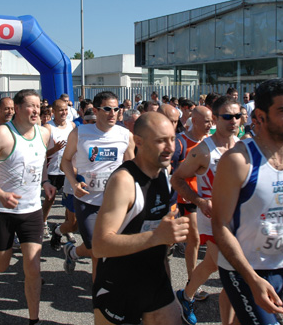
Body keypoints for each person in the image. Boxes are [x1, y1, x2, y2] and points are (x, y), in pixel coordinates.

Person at [211, 78, 283, 325]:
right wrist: (252, 278)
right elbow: (220, 226)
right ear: (260, 115)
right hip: (240, 268)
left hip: (279, 265)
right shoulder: (237, 161)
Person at [91, 112, 189, 325]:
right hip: (119, 286)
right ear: (139, 142)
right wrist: (156, 236)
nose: (171, 148)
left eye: (172, 139)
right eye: (161, 141)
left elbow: (161, 240)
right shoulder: (124, 182)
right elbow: (99, 245)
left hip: (155, 283)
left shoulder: (163, 172)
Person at [0, 89, 56, 325]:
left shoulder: (43, 133)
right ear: (18, 109)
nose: (35, 110)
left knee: (33, 268)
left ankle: (34, 319)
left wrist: (45, 181)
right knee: (1, 265)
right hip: (2, 212)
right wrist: (0, 194)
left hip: (32, 211)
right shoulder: (2, 134)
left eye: (38, 106)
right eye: (30, 106)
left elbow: (40, 161)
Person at [171, 96, 241, 325]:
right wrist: (200, 201)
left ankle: (186, 295)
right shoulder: (203, 150)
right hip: (214, 218)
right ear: (217, 119)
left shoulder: (245, 145)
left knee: (211, 264)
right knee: (232, 272)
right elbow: (177, 179)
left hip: (241, 217)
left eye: (238, 116)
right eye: (228, 117)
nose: (234, 121)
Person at [60, 91, 135, 279]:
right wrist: (73, 182)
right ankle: (100, 299)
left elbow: (131, 168)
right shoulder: (80, 133)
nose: (113, 113)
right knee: (97, 249)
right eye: (107, 109)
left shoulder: (125, 135)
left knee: (108, 250)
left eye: (116, 109)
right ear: (96, 110)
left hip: (115, 203)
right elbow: (66, 161)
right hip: (87, 200)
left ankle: (73, 253)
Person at [176, 106, 213, 300]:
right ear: (195, 121)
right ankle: (192, 284)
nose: (210, 125)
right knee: (195, 240)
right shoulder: (181, 142)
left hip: (208, 200)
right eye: (206, 121)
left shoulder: (210, 142)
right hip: (187, 198)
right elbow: (173, 173)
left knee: (207, 242)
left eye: (211, 121)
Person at [44, 99, 76, 245]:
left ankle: (66, 226)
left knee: (69, 202)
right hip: (53, 170)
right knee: (50, 199)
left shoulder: (72, 125)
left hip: (68, 170)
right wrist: (54, 150)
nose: (64, 113)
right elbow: (41, 152)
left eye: (65, 110)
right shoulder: (48, 128)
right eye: (60, 110)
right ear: (53, 112)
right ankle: (43, 223)